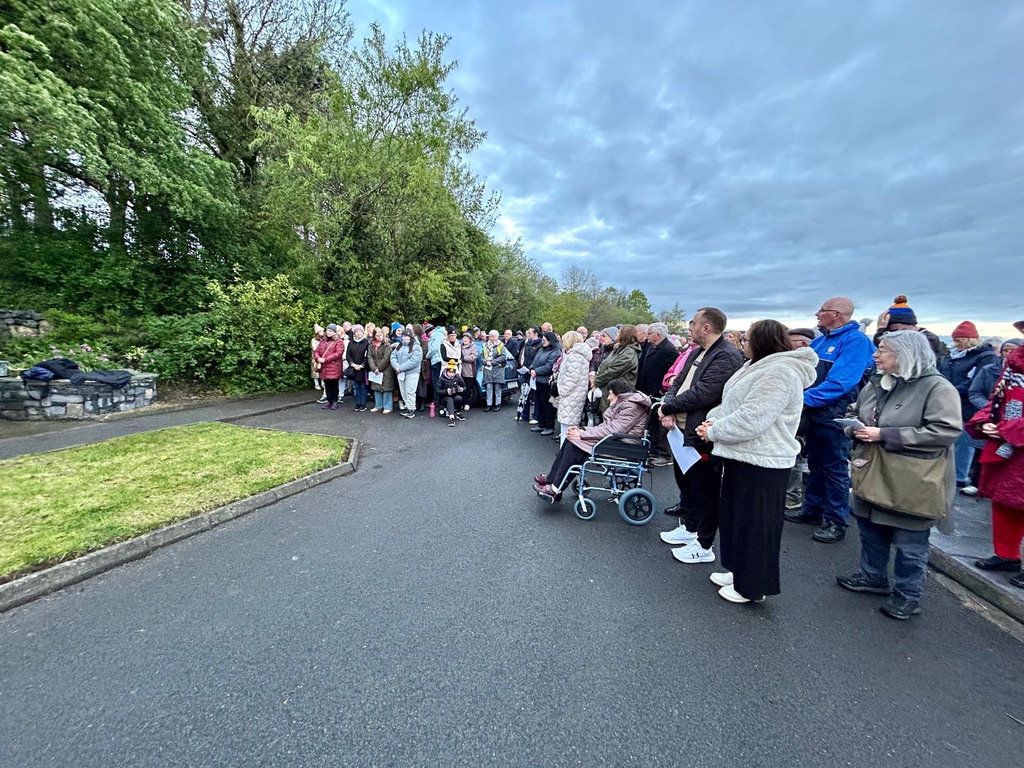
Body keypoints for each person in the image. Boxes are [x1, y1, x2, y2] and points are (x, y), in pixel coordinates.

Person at [836, 331, 961, 620]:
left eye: (883, 350)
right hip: (872, 470)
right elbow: (854, 410)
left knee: (910, 542)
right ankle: (873, 576)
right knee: (870, 528)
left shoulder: (937, 388)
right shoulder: (877, 382)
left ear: (906, 354)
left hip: (913, 479)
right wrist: (852, 426)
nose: (876, 355)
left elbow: (945, 431)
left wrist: (885, 434)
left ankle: (908, 595)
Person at [696, 320, 818, 603]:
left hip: (764, 459)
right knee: (736, 519)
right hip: (740, 454)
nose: (743, 344)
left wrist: (713, 431)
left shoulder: (780, 372)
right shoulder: (754, 366)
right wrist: (712, 420)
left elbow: (753, 417)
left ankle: (752, 587)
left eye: (746, 339)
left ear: (761, 341)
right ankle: (738, 570)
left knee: (756, 526)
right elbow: (732, 404)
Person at [656, 307, 744, 563]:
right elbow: (677, 383)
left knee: (704, 488)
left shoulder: (725, 355)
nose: (690, 327)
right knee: (686, 483)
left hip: (700, 432)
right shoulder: (697, 351)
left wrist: (668, 407)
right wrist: (668, 407)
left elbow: (705, 392)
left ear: (707, 327)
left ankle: (704, 544)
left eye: (693, 323)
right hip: (680, 430)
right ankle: (690, 527)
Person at [786, 297, 875, 544]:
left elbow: (841, 382)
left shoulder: (855, 341)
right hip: (814, 414)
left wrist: (802, 399)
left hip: (835, 415)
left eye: (822, 310)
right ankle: (812, 509)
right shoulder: (821, 340)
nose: (817, 314)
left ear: (836, 314)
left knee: (835, 468)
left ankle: (836, 520)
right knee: (815, 463)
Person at [534, 378, 652, 499]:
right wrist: (582, 431)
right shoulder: (627, 404)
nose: (608, 398)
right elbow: (608, 428)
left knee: (575, 446)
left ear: (619, 394)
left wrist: (582, 435)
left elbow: (613, 430)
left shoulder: (631, 407)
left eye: (610, 394)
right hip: (616, 442)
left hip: (623, 446)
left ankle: (555, 488)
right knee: (571, 439)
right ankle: (552, 479)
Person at [967, 339, 1024, 587]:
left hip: (1013, 442)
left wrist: (1005, 429)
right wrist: (985, 422)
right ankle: (1007, 555)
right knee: (1005, 504)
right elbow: (997, 400)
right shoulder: (1013, 366)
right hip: (1009, 451)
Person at [939, 321, 998, 496]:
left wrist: (948, 392)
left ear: (970, 340)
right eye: (955, 340)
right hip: (948, 400)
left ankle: (960, 476)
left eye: (960, 340)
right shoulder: (951, 356)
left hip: (967, 404)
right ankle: (949, 473)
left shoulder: (984, 357)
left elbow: (974, 381)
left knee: (964, 442)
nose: (957, 344)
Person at [784, 328, 817, 510]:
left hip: (802, 416)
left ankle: (792, 496)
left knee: (794, 455)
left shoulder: (803, 367)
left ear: (803, 344)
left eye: (789, 341)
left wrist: (801, 401)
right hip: (799, 414)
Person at [592, 324, 642, 415]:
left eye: (619, 332)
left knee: (611, 418)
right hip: (607, 390)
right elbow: (606, 365)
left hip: (618, 392)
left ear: (624, 335)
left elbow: (613, 371)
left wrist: (596, 381)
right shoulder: (618, 349)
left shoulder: (629, 353)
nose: (616, 334)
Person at [554, 330, 591, 443]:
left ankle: (565, 450)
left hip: (571, 395)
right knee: (571, 427)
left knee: (567, 428)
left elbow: (572, 378)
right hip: (576, 394)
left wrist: (563, 391)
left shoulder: (574, 356)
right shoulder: (578, 354)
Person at [872, 295, 941, 356]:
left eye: (903, 330)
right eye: (893, 331)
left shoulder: (930, 339)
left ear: (913, 325)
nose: (898, 333)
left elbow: (905, 349)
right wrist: (881, 330)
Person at [529, 331, 562, 437]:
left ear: (550, 340)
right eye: (543, 340)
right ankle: (542, 424)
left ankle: (549, 426)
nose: (543, 342)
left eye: (545, 340)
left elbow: (549, 366)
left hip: (547, 382)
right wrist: (532, 368)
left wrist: (536, 371)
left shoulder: (556, 352)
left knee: (548, 405)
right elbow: (534, 361)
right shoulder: (541, 349)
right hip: (538, 380)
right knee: (540, 403)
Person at [391, 329, 423, 419]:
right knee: (403, 391)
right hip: (400, 373)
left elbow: (414, 361)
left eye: (405, 336)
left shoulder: (416, 347)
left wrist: (400, 368)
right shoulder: (399, 345)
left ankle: (411, 409)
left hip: (412, 373)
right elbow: (393, 356)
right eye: (403, 336)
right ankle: (407, 407)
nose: (403, 338)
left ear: (410, 337)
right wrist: (396, 366)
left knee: (410, 391)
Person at [313, 324, 346, 410]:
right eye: (327, 330)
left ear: (334, 332)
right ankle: (329, 400)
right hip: (324, 366)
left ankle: (334, 401)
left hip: (334, 366)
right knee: (327, 384)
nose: (328, 332)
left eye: (330, 331)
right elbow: (316, 351)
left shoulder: (338, 341)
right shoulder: (323, 341)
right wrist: (318, 358)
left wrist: (326, 359)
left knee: (334, 384)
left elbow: (338, 353)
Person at [367, 327, 396, 414]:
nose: (380, 337)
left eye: (381, 335)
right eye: (377, 335)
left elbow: (386, 358)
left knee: (387, 388)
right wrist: (373, 368)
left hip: (386, 369)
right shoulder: (371, 346)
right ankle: (378, 406)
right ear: (374, 336)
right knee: (376, 388)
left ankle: (388, 407)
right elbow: (370, 357)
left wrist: (378, 368)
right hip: (375, 370)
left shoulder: (387, 345)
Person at [482, 330, 511, 412]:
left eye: (493, 336)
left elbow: (503, 357)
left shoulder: (501, 345)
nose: (491, 338)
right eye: (490, 336)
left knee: (497, 387)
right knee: (489, 386)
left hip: (498, 369)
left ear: (497, 337)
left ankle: (497, 404)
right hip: (488, 369)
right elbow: (482, 356)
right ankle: (489, 404)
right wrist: (485, 362)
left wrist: (492, 362)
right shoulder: (485, 345)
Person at [346, 324, 370, 411]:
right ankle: (358, 403)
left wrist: (362, 365)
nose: (358, 333)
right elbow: (348, 355)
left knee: (363, 387)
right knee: (356, 386)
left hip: (363, 369)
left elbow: (367, 355)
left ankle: (363, 404)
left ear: (363, 332)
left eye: (360, 331)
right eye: (356, 331)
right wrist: (352, 364)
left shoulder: (366, 342)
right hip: (354, 368)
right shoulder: (351, 342)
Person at [438, 360, 468, 427]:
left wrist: (462, 389)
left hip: (455, 395)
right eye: (449, 372)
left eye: (452, 372)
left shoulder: (458, 377)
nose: (451, 374)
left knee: (459, 398)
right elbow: (437, 390)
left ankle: (458, 413)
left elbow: (465, 387)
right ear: (446, 371)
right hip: (444, 397)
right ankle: (451, 417)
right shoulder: (441, 378)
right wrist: (446, 391)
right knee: (450, 400)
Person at [460, 332, 479, 411]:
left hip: (469, 371)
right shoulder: (460, 346)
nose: (465, 340)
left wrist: (463, 358)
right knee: (461, 388)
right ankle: (461, 403)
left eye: (467, 338)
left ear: (470, 340)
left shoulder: (473, 347)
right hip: (460, 370)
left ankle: (467, 403)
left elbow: (473, 357)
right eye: (464, 338)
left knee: (468, 388)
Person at [311, 324, 325, 398]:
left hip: (322, 356)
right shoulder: (313, 340)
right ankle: (316, 384)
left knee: (322, 369)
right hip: (315, 357)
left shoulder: (323, 339)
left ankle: (322, 383)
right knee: (315, 369)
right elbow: (314, 348)